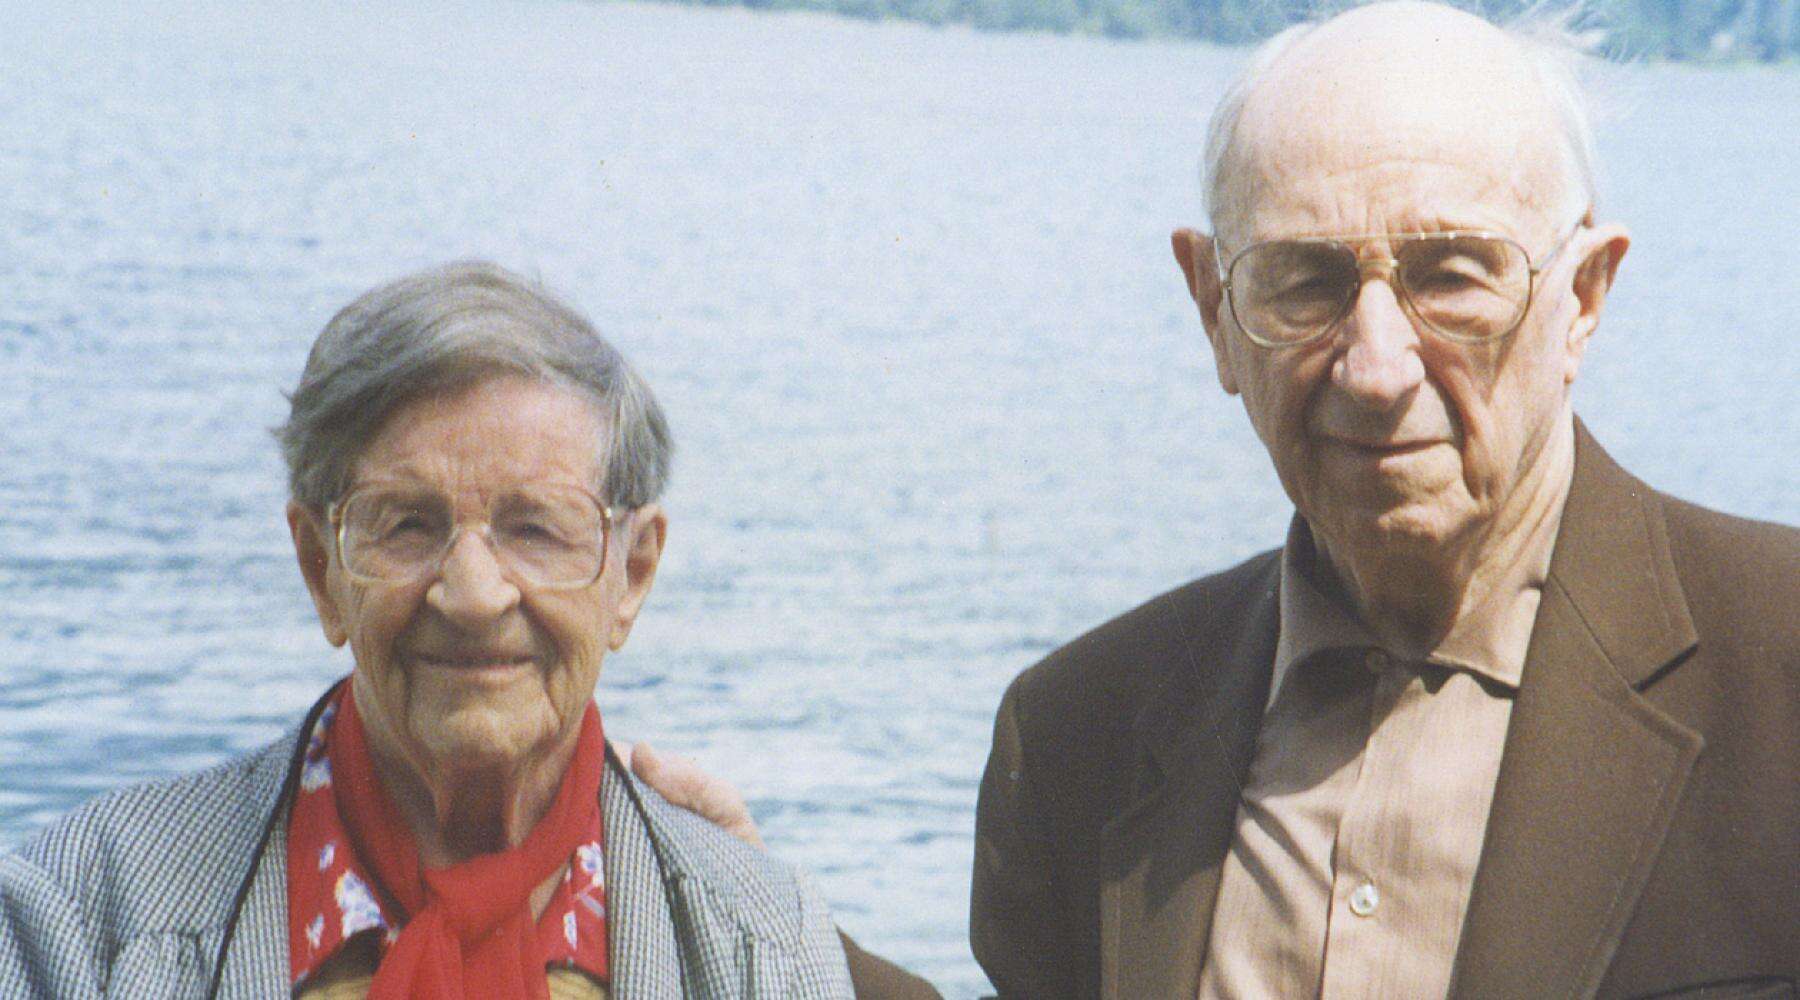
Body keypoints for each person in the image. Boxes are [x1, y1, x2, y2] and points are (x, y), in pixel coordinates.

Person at [968, 3, 1799, 998]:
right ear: (1214, 311)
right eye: (1303, 284)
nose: (1374, 367)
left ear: (1583, 297)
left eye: (1451, 277)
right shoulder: (1076, 735)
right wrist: (748, 913)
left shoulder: (1781, 675)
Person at [0, 262, 856, 998]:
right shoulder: (80, 918)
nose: (474, 594)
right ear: (320, 569)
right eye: (407, 524)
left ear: (630, 575)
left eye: (536, 528)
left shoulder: (763, 947)